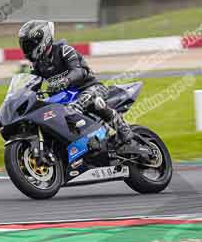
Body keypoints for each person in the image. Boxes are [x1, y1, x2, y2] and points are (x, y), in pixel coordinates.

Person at [18, 19, 135, 150]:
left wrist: (65, 81)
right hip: (67, 95)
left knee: (76, 107)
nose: (27, 49)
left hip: (91, 87)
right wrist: (24, 95)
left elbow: (78, 71)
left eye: (29, 45)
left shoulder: (64, 50)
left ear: (44, 39)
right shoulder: (37, 65)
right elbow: (32, 83)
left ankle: (122, 128)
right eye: (25, 45)